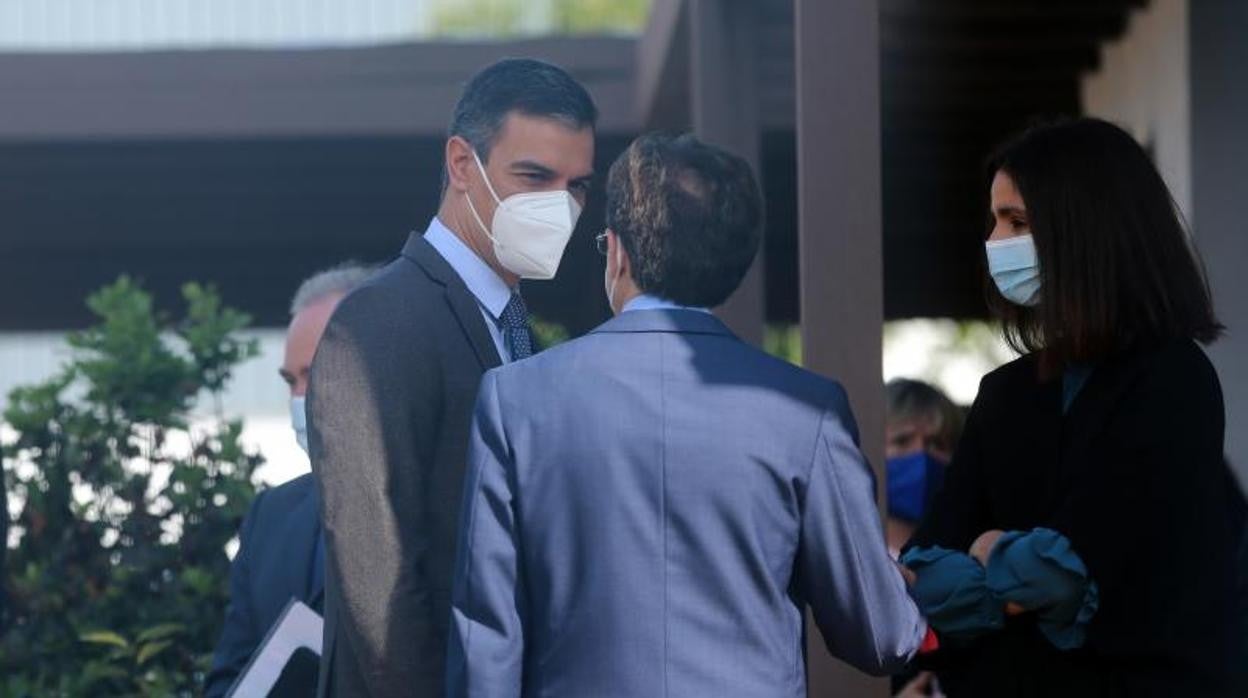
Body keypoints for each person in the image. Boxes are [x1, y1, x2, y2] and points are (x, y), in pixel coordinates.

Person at [446, 133, 926, 698]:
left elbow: (487, 649)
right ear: (733, 264)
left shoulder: (515, 400)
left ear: (619, 250)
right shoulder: (805, 410)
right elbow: (882, 636)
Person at [902, 118, 1244, 696]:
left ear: (1080, 230)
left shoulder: (1171, 378)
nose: (995, 242)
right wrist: (1003, 568)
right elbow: (923, 576)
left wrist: (990, 559)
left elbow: (1072, 571)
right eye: (994, 220)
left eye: (1017, 221)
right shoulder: (1005, 392)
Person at [307, 58, 596, 697]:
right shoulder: (381, 319)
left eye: (576, 185)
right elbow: (377, 575)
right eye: (534, 176)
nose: (561, 206)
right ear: (462, 165)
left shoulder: (521, 331)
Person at [204, 263, 373, 697]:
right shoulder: (272, 517)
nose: (300, 398)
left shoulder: (446, 496)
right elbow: (230, 677)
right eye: (289, 380)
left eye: (313, 372)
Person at [884, 378, 962, 556]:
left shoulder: (969, 563)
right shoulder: (847, 564)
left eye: (937, 443)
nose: (921, 453)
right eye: (902, 441)